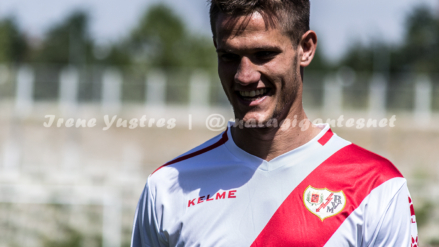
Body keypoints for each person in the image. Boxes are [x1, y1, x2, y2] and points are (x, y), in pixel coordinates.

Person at [131, 0, 418, 246]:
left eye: (263, 55)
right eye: (229, 56)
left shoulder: (376, 187)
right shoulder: (167, 188)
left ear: (305, 48)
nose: (245, 75)